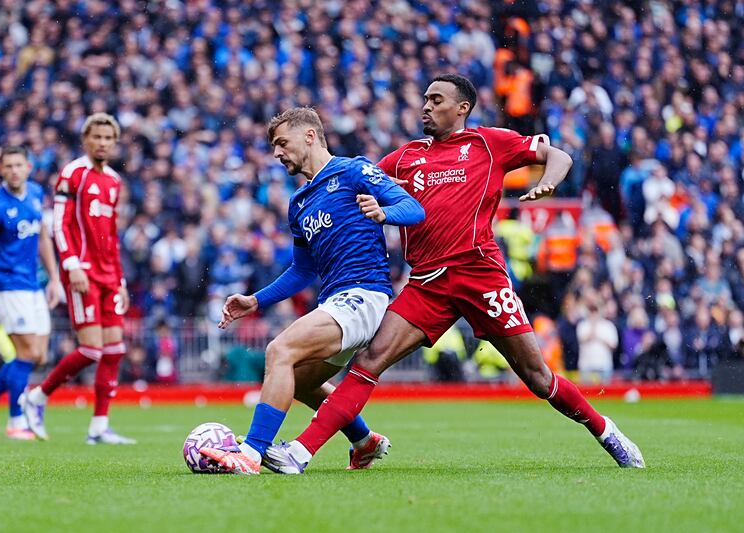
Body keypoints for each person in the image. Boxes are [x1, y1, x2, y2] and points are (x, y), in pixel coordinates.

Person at [267, 74, 645, 473]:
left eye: (436, 99)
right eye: (425, 99)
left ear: (462, 108)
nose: (426, 106)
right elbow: (352, 181)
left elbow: (560, 156)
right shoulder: (405, 157)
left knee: (537, 378)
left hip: (481, 276)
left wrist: (548, 184)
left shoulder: (489, 143)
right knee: (369, 360)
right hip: (427, 283)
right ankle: (300, 452)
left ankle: (606, 431)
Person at [199, 107, 424, 474]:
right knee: (301, 382)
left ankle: (251, 454)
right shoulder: (298, 203)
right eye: (273, 146)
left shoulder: (353, 170)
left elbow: (413, 208)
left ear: (309, 136)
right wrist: (255, 300)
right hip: (336, 300)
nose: (276, 153)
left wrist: (384, 213)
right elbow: (303, 270)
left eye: (282, 143)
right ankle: (364, 441)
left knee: (279, 350)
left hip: (364, 295)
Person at [20, 113, 135, 445]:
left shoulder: (114, 181)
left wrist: (122, 280)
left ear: (114, 143)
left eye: (108, 138)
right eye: (96, 137)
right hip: (82, 271)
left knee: (114, 350)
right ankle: (38, 396)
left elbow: (111, 235)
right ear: (86, 139)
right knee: (92, 350)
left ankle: (99, 427)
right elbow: (59, 223)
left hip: (110, 275)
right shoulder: (73, 173)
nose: (102, 143)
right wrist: (71, 264)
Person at [0, 146, 60, 440]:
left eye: (19, 165)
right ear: (1, 170)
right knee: (26, 352)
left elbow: (43, 237)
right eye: (8, 166)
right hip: (7, 285)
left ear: (29, 167)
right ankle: (16, 420)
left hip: (33, 284)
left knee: (40, 354)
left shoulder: (34, 193)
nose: (14, 170)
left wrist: (54, 278)